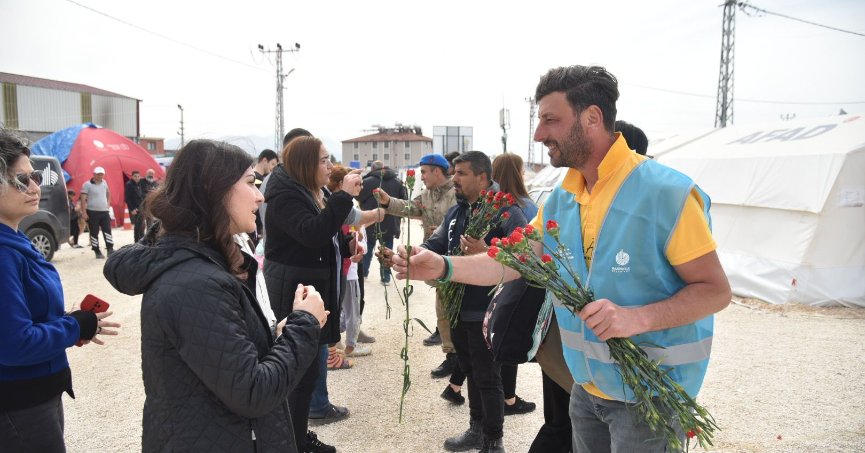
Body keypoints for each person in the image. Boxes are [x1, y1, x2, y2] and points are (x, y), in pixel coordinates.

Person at [392, 65, 732, 453]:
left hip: (648, 394)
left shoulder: (666, 193)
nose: (539, 134)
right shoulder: (564, 195)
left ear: (592, 118)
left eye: (550, 120)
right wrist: (444, 267)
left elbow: (715, 291)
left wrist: (636, 318)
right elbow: (514, 260)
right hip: (585, 388)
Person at [103, 139, 326, 452]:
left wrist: (280, 336)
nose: (260, 195)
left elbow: (229, 360)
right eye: (250, 182)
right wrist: (304, 324)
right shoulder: (195, 285)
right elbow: (253, 391)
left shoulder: (207, 264)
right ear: (214, 190)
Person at [0, 130, 120, 452]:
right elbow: (14, 344)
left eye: (36, 177)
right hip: (20, 403)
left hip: (34, 396)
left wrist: (69, 321)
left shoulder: (16, 240)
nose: (35, 187)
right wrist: (74, 327)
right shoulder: (3, 253)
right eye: (21, 180)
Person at [421, 150, 527, 453]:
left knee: (488, 377)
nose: (454, 178)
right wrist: (414, 254)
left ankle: (494, 441)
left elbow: (524, 253)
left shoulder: (506, 210)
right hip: (457, 309)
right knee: (470, 371)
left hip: (488, 311)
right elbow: (437, 243)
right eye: (454, 172)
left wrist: (487, 249)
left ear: (482, 178)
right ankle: (476, 430)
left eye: (461, 173)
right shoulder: (457, 211)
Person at [263, 136, 363, 453]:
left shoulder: (310, 189)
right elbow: (311, 233)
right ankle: (293, 442)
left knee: (306, 373)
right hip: (293, 291)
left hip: (308, 288)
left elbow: (324, 233)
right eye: (323, 160)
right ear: (306, 164)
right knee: (297, 374)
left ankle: (299, 436)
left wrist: (345, 245)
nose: (330, 165)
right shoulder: (285, 194)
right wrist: (344, 196)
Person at [374, 153, 459, 379]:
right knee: (443, 309)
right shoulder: (428, 195)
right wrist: (387, 202)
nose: (421, 177)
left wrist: (442, 231)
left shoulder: (456, 193)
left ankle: (464, 357)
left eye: (424, 172)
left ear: (437, 171)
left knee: (457, 311)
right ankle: (453, 357)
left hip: (457, 261)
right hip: (435, 258)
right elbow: (411, 208)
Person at [327, 166, 371, 358]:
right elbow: (349, 236)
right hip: (348, 267)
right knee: (352, 307)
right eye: (357, 183)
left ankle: (337, 341)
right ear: (341, 184)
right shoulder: (342, 206)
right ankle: (351, 345)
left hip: (345, 266)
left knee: (342, 307)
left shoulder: (337, 203)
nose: (360, 188)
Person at [357, 160, 406, 286]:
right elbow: (404, 201)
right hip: (391, 221)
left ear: (373, 169)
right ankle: (385, 278)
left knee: (367, 248)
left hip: (371, 220)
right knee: (387, 251)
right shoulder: (397, 181)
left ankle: (363, 273)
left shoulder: (367, 182)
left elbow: (358, 196)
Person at [79, 166, 113, 258]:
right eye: (98, 174)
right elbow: (83, 199)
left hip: (104, 211)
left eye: (101, 174)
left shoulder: (104, 183)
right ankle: (96, 250)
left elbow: (108, 193)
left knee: (107, 230)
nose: (100, 176)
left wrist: (108, 203)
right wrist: (84, 212)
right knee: (94, 232)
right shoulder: (87, 185)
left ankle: (110, 249)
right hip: (92, 212)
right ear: (94, 174)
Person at [252, 149, 279, 244]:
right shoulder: (257, 179)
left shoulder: (257, 178)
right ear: (264, 160)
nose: (274, 168)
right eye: (273, 164)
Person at [124, 170, 145, 243]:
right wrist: (132, 209)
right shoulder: (129, 184)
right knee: (138, 226)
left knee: (141, 225)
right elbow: (127, 198)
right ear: (132, 176)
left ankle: (141, 240)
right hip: (135, 208)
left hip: (141, 207)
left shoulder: (140, 184)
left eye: (138, 176)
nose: (137, 178)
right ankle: (138, 241)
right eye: (135, 176)